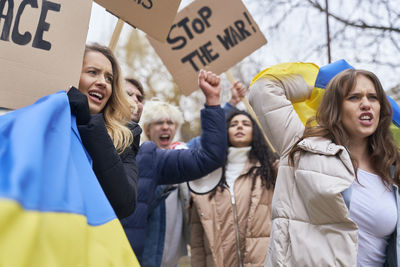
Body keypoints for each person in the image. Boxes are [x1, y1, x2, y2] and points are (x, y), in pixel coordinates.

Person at [249, 68, 400, 266]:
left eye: (373, 97)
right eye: (353, 97)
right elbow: (263, 89)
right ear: (336, 105)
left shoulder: (392, 167)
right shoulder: (301, 146)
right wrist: (320, 86)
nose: (366, 104)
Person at [121, 70, 228, 265]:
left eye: (170, 123)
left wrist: (214, 101)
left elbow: (210, 154)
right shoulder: (85, 135)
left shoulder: (151, 158)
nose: (165, 127)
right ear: (148, 129)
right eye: (159, 122)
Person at [189, 109, 276, 267]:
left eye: (246, 124)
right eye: (233, 124)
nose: (240, 127)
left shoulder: (270, 171)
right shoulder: (207, 177)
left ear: (255, 132)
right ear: (225, 132)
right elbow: (197, 240)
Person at [67, 43, 138, 219]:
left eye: (109, 78)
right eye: (93, 72)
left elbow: (124, 204)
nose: (102, 83)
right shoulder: (46, 121)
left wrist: (88, 123)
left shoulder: (125, 140)